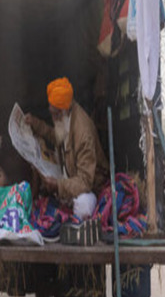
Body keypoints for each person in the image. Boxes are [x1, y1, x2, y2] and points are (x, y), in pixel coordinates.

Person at [25, 77, 109, 220]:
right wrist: (35, 123)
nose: (52, 118)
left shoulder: (83, 133)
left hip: (91, 187)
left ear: (63, 111)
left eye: (54, 114)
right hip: (70, 174)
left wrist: (58, 185)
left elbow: (85, 182)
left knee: (83, 207)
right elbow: (55, 135)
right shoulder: (65, 118)